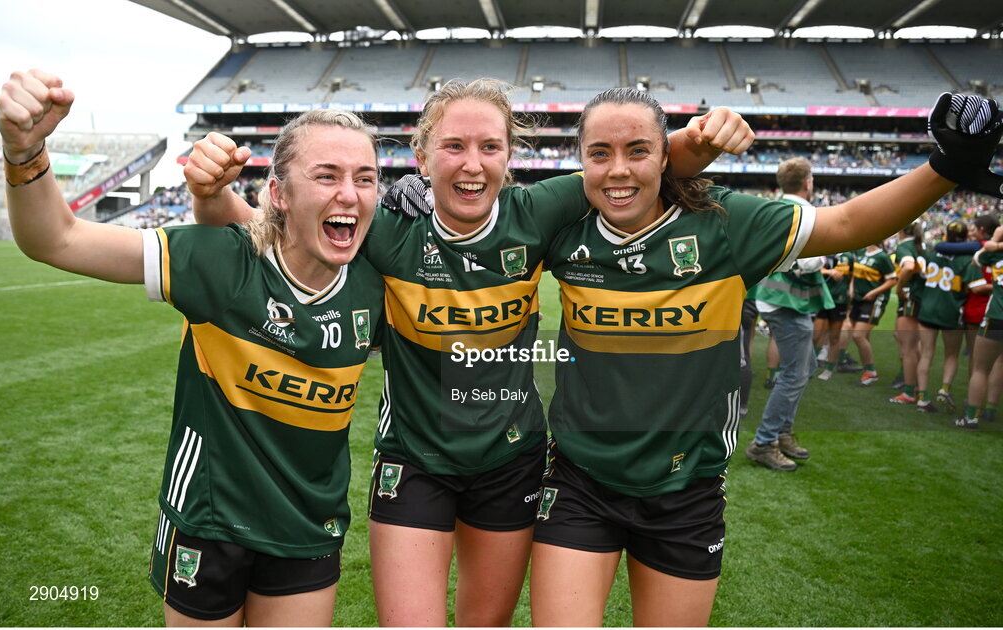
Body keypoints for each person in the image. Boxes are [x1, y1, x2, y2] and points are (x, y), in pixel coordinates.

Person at [185, 78, 754, 626]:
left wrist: (699, 141)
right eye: (452, 145)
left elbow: (628, 171)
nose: (472, 163)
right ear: (422, 154)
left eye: (490, 146)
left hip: (511, 460)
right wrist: (212, 193)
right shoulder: (382, 224)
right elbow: (273, 232)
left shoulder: (540, 210)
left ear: (512, 156)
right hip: (414, 459)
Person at [527, 88, 1001, 626]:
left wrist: (947, 166)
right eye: (599, 154)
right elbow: (478, 217)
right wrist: (413, 194)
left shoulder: (725, 223)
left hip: (689, 489)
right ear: (579, 160)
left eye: (638, 150)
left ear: (665, 156)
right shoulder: (564, 224)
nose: (618, 171)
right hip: (579, 481)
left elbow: (846, 225)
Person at [0, 70, 385, 626]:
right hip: (209, 519)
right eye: (326, 175)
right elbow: (56, 239)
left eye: (366, 178)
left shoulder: (375, 282)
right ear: (278, 192)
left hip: (309, 525)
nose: (349, 193)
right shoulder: (222, 263)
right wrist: (24, 150)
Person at [744, 157, 832, 472]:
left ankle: (780, 433)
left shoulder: (775, 208)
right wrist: (827, 256)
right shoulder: (806, 213)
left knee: (803, 368)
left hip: (776, 298)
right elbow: (806, 261)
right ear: (807, 183)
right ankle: (764, 441)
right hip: (789, 302)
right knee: (796, 372)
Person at [913, 221, 984, 412]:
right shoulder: (968, 259)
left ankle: (922, 398)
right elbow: (975, 287)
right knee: (951, 354)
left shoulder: (931, 255)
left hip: (927, 309)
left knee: (926, 354)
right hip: (951, 312)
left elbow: (920, 277)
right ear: (964, 237)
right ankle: (944, 389)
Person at [957, 225, 1003, 428]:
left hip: (997, 316)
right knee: (1001, 364)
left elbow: (977, 258)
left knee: (981, 368)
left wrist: (995, 239)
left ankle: (971, 417)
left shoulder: (996, 255)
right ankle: (991, 408)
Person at [847, 241, 897, 385]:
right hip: (858, 299)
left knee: (858, 335)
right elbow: (854, 275)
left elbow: (892, 280)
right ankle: (867, 368)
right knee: (863, 336)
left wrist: (873, 292)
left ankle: (871, 371)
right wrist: (851, 287)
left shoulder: (882, 257)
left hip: (874, 301)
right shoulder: (861, 253)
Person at [888, 222, 925, 403]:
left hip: (910, 298)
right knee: (907, 341)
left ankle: (910, 392)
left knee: (908, 348)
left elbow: (909, 266)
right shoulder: (920, 246)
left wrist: (900, 287)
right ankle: (917, 386)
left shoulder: (905, 246)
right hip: (919, 299)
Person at [814, 249, 854, 381]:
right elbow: (811, 268)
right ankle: (810, 365)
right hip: (823, 298)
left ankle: (829, 369)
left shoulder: (847, 256)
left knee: (834, 337)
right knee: (816, 335)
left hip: (839, 299)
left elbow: (852, 274)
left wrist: (850, 291)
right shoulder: (822, 252)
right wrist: (829, 271)